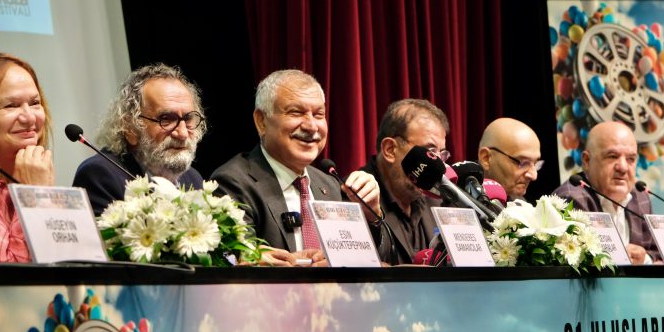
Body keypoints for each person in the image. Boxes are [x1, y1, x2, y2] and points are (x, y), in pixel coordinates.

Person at [210, 69, 382, 267]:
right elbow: (228, 259)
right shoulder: (234, 183)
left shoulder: (331, 185)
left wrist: (371, 217)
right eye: (296, 112)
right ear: (261, 121)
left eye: (318, 115)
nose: (311, 126)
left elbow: (376, 262)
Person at [73, 63, 204, 215]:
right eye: (166, 119)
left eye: (188, 119)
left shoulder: (192, 178)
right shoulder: (100, 175)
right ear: (130, 128)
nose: (182, 133)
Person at [553, 121, 659, 264]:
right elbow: (577, 264)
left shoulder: (640, 198)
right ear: (586, 160)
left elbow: (659, 254)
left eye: (631, 159)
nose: (623, 167)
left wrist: (645, 259)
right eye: (612, 156)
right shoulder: (570, 199)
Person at [360, 99, 449, 265]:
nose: (439, 166)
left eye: (441, 154)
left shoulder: (439, 202)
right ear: (390, 149)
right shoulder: (355, 196)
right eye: (430, 152)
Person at [0, 53, 54, 262]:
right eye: (11, 105)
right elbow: (16, 278)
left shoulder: (38, 175)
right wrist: (33, 196)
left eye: (35, 103)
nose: (29, 117)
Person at [477, 117, 542, 201]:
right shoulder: (462, 203)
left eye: (536, 164)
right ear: (486, 158)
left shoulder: (520, 203)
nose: (533, 176)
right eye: (524, 163)